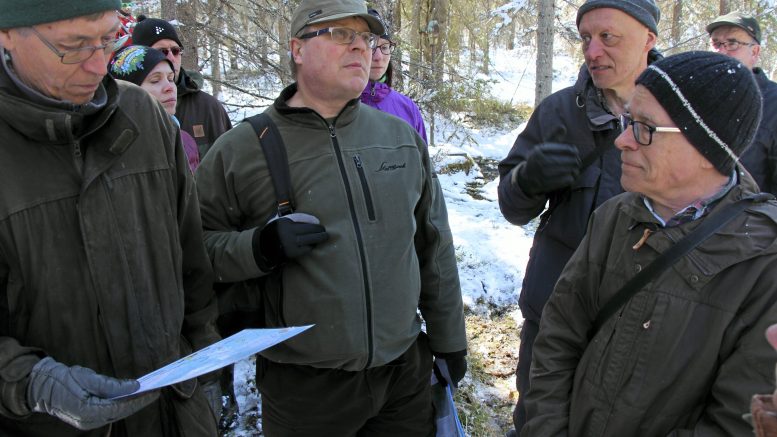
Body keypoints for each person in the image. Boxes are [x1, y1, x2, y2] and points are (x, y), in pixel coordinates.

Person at [195, 0, 468, 435]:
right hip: (305, 389)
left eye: (368, 38)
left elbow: (434, 247)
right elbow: (195, 250)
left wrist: (450, 340)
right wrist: (258, 248)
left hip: (403, 376)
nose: (361, 48)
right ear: (298, 49)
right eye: (342, 34)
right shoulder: (241, 149)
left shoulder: (399, 138)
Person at [523, 51, 777, 436]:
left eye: (644, 127)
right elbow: (558, 337)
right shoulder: (615, 217)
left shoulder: (764, 262)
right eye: (628, 121)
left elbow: (734, 422)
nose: (622, 140)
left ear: (709, 147)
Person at [0, 2, 221, 436]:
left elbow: (191, 265)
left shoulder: (144, 115)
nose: (99, 63)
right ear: (7, 34)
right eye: (73, 46)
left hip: (173, 413)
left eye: (107, 39)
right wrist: (28, 381)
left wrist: (204, 360)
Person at [497, 0, 661, 433]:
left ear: (649, 38)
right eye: (586, 38)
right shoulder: (558, 112)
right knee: (538, 421)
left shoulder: (682, 119)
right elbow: (511, 206)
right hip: (554, 317)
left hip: (647, 325)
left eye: (608, 37)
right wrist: (528, 180)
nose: (592, 51)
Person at [132, 15, 232, 159]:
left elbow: (230, 167)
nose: (171, 58)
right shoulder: (124, 109)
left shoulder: (208, 108)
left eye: (175, 50)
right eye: (162, 52)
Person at [707, 11, 777, 195]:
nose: (721, 51)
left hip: (754, 218)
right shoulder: (695, 97)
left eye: (732, 43)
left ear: (754, 52)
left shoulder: (774, 104)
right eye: (716, 43)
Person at [109, 45, 200, 172]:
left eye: (171, 78)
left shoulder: (184, 140)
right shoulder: (109, 148)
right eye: (155, 80)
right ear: (128, 91)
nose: (170, 88)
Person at [360, 8, 427, 142]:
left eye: (384, 47)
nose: (378, 57)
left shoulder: (408, 108)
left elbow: (422, 161)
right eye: (371, 47)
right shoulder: (336, 107)